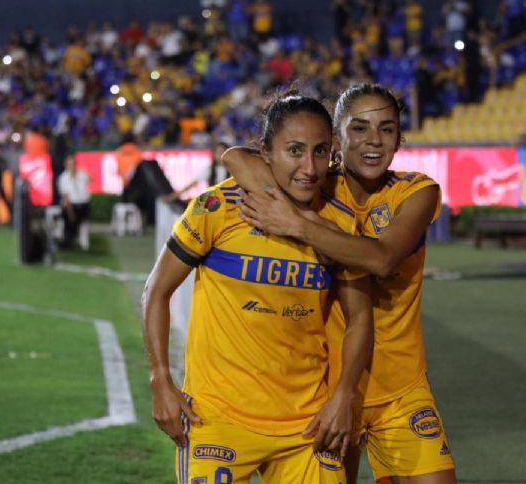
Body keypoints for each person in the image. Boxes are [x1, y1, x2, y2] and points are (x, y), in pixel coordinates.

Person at [222, 84, 457, 484]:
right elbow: (236, 157)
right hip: (327, 389)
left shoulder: (416, 192)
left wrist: (297, 224)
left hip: (400, 388)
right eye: (360, 128)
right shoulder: (315, 185)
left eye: (386, 129)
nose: (373, 140)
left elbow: (381, 259)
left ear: (400, 138)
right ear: (336, 139)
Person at [142, 93, 374, 484]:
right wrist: (160, 378)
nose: (310, 167)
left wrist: (344, 396)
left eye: (321, 152)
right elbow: (157, 290)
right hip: (217, 420)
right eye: (295, 151)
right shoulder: (217, 209)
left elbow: (360, 318)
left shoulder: (336, 227)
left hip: (306, 425)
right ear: (265, 153)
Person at [57, 154, 91, 250]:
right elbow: (65, 196)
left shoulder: (81, 174)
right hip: (71, 205)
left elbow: (90, 179)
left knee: (79, 218)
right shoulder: (63, 178)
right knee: (69, 218)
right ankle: (68, 238)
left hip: (83, 204)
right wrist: (70, 211)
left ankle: (70, 239)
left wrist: (79, 174)